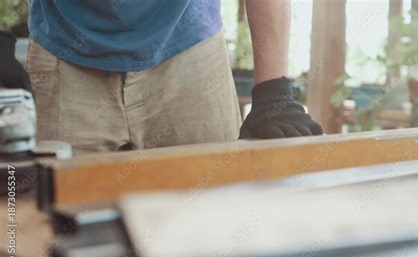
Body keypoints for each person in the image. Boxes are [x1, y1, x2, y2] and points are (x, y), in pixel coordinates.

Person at [0, 0, 322, 154]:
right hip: (65, 51)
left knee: (208, 223)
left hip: (189, 50)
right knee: (56, 230)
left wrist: (273, 91)